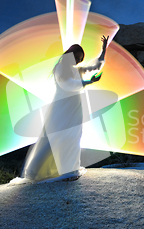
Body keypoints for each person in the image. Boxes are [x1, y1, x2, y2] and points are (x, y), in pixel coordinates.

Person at [20, 36, 109, 182]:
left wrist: (104, 50)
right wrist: (88, 81)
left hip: (75, 108)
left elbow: (95, 66)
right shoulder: (60, 68)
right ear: (71, 55)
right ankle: (35, 172)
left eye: (80, 59)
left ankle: (69, 169)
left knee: (73, 136)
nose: (79, 61)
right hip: (61, 108)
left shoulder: (76, 69)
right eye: (78, 57)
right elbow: (67, 84)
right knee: (54, 138)